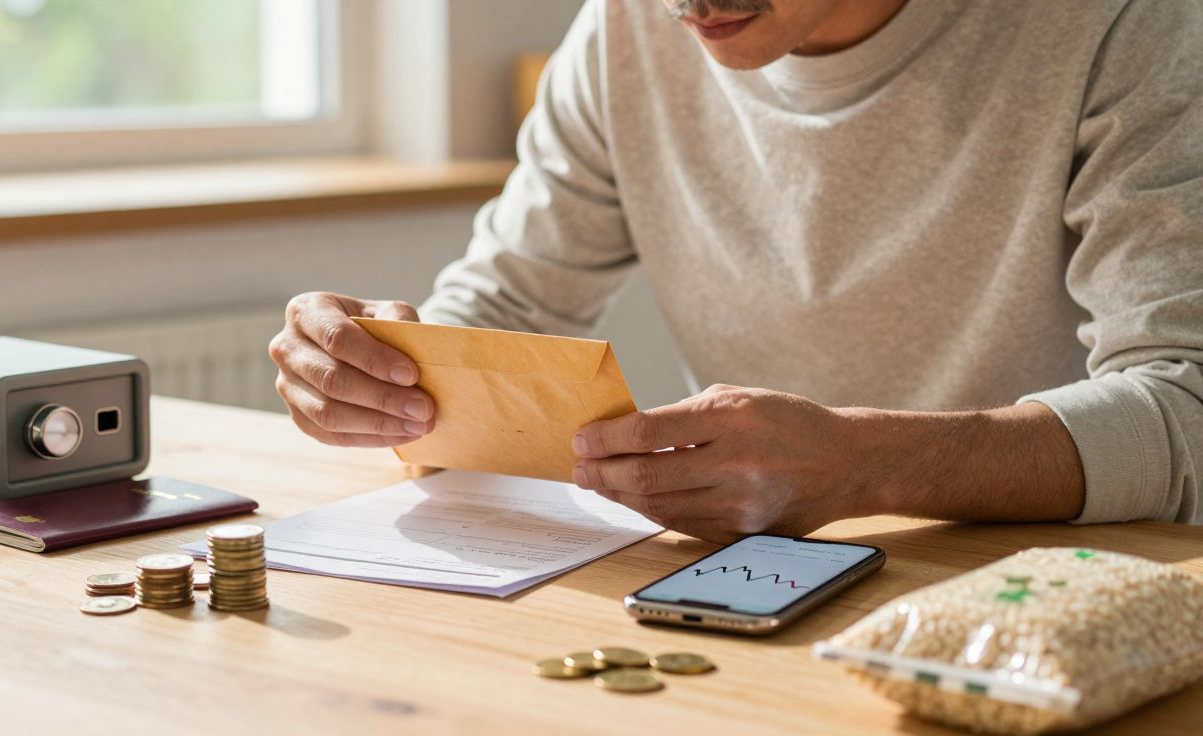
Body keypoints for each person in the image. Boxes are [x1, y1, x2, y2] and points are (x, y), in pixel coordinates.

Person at [268, 0, 1203, 544]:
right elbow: (507, 303)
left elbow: (1187, 404)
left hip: (1052, 591)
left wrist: (866, 464)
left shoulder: (1128, 26)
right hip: (733, 596)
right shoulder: (626, 30)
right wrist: (388, 369)